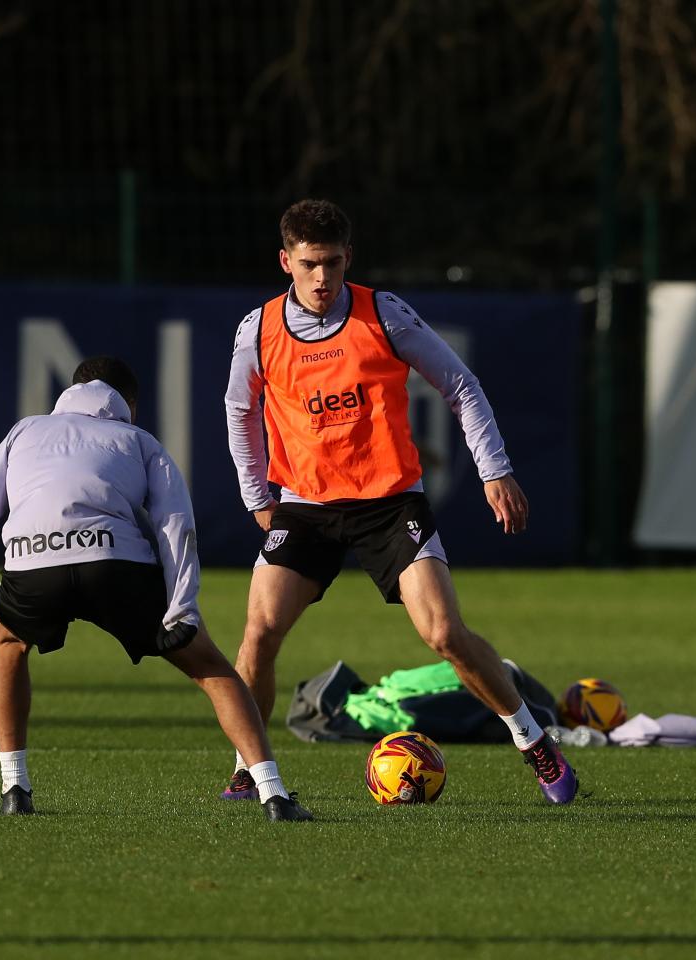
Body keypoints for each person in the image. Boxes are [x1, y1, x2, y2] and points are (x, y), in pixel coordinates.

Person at [220, 199, 577, 805]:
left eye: (332, 263)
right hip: (305, 506)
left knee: (444, 634)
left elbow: (460, 385)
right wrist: (258, 494)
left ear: (348, 257)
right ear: (286, 261)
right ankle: (249, 769)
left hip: (389, 503)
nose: (322, 278)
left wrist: (494, 471)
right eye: (309, 264)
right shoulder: (258, 329)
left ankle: (532, 738)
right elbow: (239, 409)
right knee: (258, 633)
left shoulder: (382, 313)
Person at [0, 356, 311, 821]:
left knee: (9, 644)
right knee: (211, 668)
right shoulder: (139, 439)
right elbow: (177, 527)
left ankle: (15, 789)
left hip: (34, 566)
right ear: (128, 404)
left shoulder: (23, 433)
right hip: (115, 565)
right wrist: (182, 609)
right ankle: (272, 794)